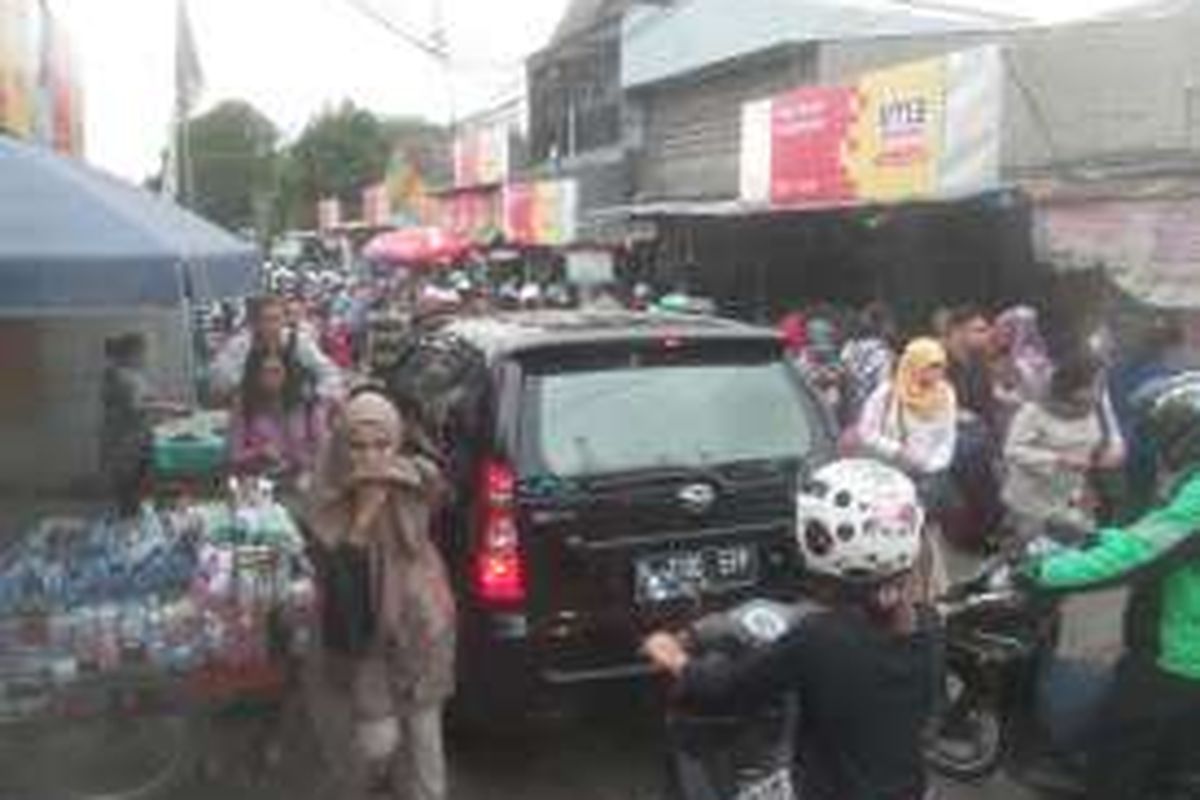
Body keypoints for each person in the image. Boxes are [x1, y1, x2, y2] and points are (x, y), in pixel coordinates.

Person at [642, 459, 940, 800]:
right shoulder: (929, 624)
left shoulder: (819, 638)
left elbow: (726, 690)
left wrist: (674, 657)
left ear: (816, 538)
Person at [1019, 372, 1200, 799]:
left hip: (1178, 656)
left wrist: (1041, 574)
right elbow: (1158, 536)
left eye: (1162, 435)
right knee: (1171, 762)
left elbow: (1141, 554)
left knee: (1121, 758)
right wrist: (1096, 539)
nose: (1157, 448)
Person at [304, 391, 455, 800]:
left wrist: (404, 475)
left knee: (425, 736)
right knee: (378, 740)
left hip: (421, 623)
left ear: (397, 441)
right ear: (340, 445)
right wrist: (364, 516)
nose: (371, 457)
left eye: (382, 444)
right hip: (363, 632)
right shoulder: (326, 492)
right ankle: (378, 780)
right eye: (358, 445)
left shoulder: (414, 479)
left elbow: (436, 485)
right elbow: (333, 570)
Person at [1002, 352, 1125, 543]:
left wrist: (1103, 460)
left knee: (1079, 548)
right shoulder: (1034, 411)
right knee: (1038, 553)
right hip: (1032, 501)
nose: (1100, 390)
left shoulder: (1092, 409)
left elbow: (1101, 443)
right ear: (1074, 386)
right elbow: (1012, 450)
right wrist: (1058, 459)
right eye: (1095, 384)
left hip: (1071, 498)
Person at [99, 333, 187, 516]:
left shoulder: (131, 374)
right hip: (125, 444)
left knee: (136, 489)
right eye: (143, 352)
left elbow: (146, 400)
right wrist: (170, 408)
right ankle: (129, 526)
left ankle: (135, 521)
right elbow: (136, 406)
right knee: (128, 491)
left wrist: (164, 409)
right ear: (131, 353)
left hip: (136, 440)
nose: (145, 357)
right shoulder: (121, 376)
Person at [211, 294, 343, 402]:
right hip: (254, 411)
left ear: (284, 320)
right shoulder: (240, 345)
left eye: (276, 319)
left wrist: (317, 396)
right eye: (266, 319)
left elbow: (328, 371)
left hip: (294, 409)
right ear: (254, 322)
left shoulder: (298, 341)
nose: (272, 326)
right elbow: (221, 380)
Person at [229, 349, 327, 481]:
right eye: (264, 372)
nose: (271, 377)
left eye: (276, 371)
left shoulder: (307, 405)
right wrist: (259, 451)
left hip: (304, 480)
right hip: (263, 480)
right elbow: (234, 455)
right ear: (256, 376)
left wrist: (305, 464)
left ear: (287, 373)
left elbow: (324, 450)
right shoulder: (246, 406)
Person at [991, 305, 1053, 422]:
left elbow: (1032, 395)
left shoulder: (1026, 360)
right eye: (1000, 328)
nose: (1000, 332)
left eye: (1007, 327)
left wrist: (995, 392)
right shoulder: (1007, 356)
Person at [841, 303, 897, 425]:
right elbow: (883, 388)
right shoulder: (883, 354)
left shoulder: (849, 347)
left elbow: (845, 377)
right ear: (884, 325)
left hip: (850, 414)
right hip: (872, 417)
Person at [796, 315, 846, 419]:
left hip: (829, 407)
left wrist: (828, 375)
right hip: (812, 407)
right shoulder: (805, 355)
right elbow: (804, 377)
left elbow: (840, 374)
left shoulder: (831, 354)